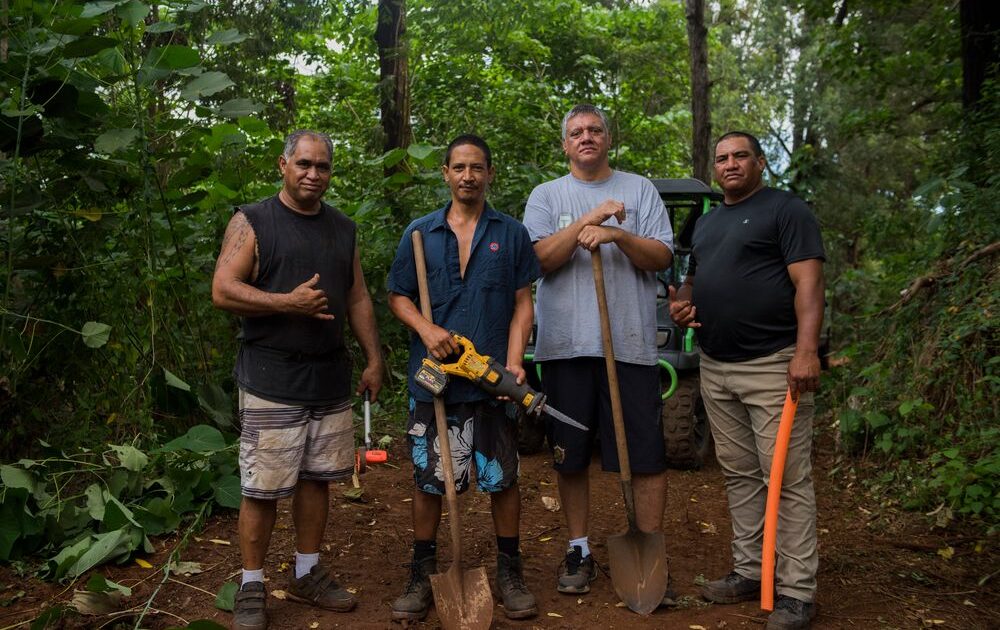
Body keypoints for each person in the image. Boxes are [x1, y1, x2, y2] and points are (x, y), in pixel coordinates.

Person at [211, 130, 384, 630]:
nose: (313, 174)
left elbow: (356, 297)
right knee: (262, 487)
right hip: (271, 376)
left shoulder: (342, 228)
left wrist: (374, 360)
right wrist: (286, 302)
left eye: (322, 166)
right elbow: (223, 288)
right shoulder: (254, 220)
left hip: (329, 377)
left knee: (316, 480)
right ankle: (251, 583)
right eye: (304, 164)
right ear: (283, 164)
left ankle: (307, 571)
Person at [669, 131, 824, 630]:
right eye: (722, 158)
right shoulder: (710, 224)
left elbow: (809, 284)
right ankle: (751, 570)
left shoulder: (786, 210)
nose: (730, 164)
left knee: (786, 477)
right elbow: (694, 277)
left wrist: (805, 353)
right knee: (738, 474)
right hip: (716, 365)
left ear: (759, 162)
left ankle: (797, 592)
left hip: (774, 363)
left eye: (740, 156)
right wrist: (683, 302)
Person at [386, 134, 541, 621]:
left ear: (490, 173)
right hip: (435, 382)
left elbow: (522, 304)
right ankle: (422, 571)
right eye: (459, 168)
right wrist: (426, 328)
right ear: (446, 174)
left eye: (477, 168)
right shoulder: (420, 233)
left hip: (492, 380)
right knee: (430, 478)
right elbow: (398, 297)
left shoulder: (511, 233)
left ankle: (509, 569)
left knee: (503, 479)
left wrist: (515, 363)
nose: (468, 176)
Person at [522, 104, 674, 598]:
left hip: (629, 347)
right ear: (565, 145)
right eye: (576, 132)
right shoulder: (547, 196)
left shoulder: (640, 189)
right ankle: (579, 549)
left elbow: (663, 255)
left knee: (645, 455)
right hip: (564, 348)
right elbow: (537, 260)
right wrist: (588, 219)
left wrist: (616, 234)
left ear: (609, 139)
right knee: (569, 458)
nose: (586, 137)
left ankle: (648, 548)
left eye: (595, 130)